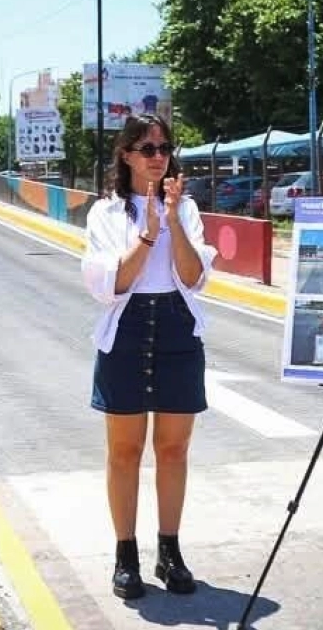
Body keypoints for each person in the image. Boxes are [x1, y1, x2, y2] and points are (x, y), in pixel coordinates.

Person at [81, 113, 218, 600]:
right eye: (147, 149)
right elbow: (111, 285)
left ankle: (170, 549)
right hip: (129, 329)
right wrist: (147, 231)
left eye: (164, 149)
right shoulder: (106, 213)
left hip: (177, 328)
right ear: (126, 155)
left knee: (173, 449)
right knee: (124, 451)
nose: (158, 157)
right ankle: (125, 555)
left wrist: (174, 220)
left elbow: (194, 275)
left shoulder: (188, 207)